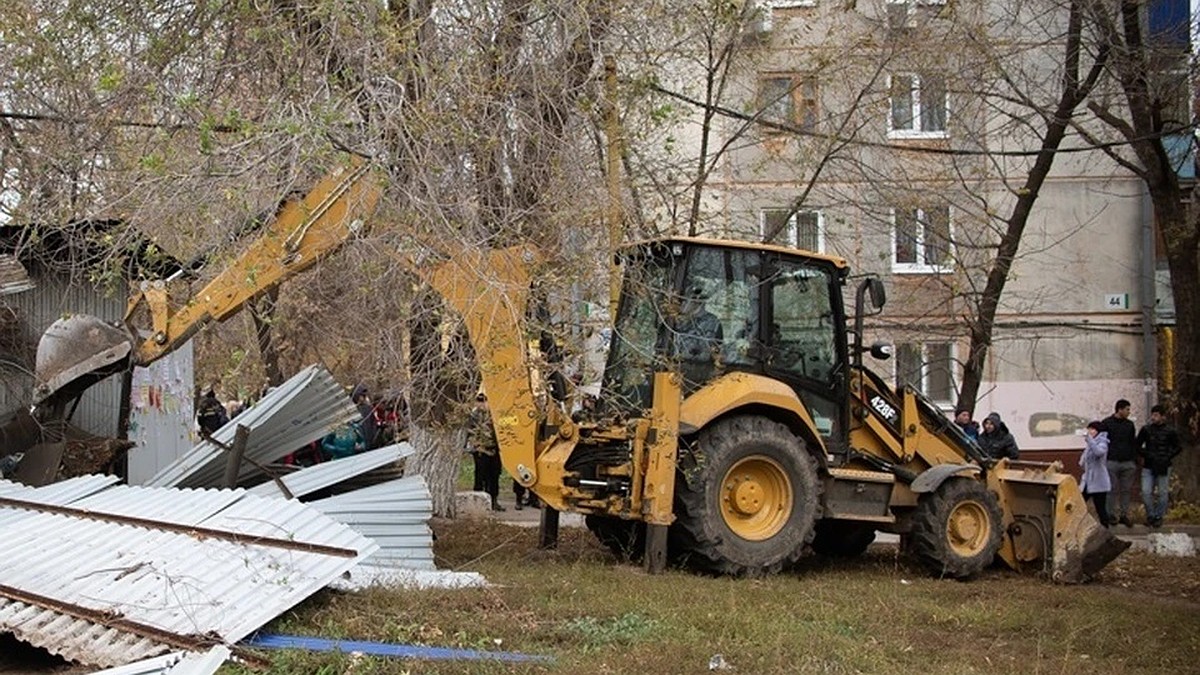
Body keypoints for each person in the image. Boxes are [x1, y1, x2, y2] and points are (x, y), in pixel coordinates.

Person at [1136, 404, 1181, 528]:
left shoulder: (1170, 431)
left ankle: (1158, 516)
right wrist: (1147, 455)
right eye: (1152, 414)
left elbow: (1178, 447)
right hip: (1149, 465)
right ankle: (1150, 515)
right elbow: (1137, 445)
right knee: (1146, 492)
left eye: (1156, 415)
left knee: (1163, 493)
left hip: (1164, 465)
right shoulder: (1146, 429)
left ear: (1163, 417)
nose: (1153, 417)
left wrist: (1167, 456)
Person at [1100, 399, 1138, 527]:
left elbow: (1133, 442)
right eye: (1127, 409)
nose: (1129, 412)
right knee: (1111, 489)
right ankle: (1110, 514)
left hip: (1127, 461)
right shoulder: (1106, 423)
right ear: (1119, 409)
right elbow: (1101, 441)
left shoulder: (1129, 425)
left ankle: (1124, 514)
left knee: (1126, 490)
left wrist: (1133, 459)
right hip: (1112, 461)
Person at [468, 393, 504, 511]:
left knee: (494, 475)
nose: (482, 404)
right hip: (480, 450)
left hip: (494, 449)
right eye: (480, 401)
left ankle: (493, 500)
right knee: (480, 475)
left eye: (484, 401)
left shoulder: (495, 414)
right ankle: (478, 501)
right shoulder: (474, 415)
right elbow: (470, 431)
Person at [1079, 421, 1112, 527]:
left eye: (1092, 429)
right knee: (1079, 503)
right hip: (1088, 480)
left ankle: (1106, 530)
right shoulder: (1091, 443)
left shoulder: (1103, 442)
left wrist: (1090, 440)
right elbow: (1085, 459)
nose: (1090, 432)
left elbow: (1099, 452)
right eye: (1089, 429)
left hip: (1099, 482)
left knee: (1100, 508)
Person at [351, 383, 380, 450]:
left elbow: (373, 423)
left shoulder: (367, 408)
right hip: (362, 442)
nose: (363, 397)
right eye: (362, 396)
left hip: (368, 440)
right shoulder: (355, 410)